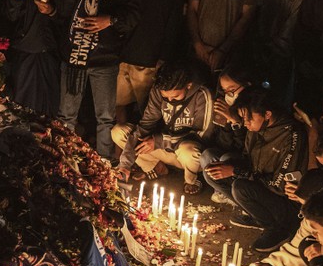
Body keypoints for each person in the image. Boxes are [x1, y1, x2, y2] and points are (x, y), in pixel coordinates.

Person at [56, 0, 140, 161]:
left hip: (105, 56)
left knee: (105, 117)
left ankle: (104, 163)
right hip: (73, 56)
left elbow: (134, 13)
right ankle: (65, 159)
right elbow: (57, 9)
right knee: (67, 114)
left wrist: (110, 20)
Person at [204, 87, 307, 252]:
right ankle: (255, 214)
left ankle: (277, 227)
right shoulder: (256, 128)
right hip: (260, 183)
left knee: (240, 188)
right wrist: (229, 168)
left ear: (267, 114)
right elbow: (248, 159)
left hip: (285, 201)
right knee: (213, 170)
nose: (245, 124)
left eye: (249, 118)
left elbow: (279, 186)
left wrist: (235, 172)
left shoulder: (291, 135)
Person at [116, 0, 185, 125]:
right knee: (118, 107)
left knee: (148, 112)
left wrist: (164, 56)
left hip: (150, 58)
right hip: (124, 54)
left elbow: (174, 21)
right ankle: (117, 154)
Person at [113, 64, 213, 194]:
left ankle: (191, 181)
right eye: (166, 97)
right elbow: (146, 124)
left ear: (188, 86)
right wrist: (125, 165)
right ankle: (155, 167)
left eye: (175, 97)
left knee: (188, 150)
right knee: (119, 132)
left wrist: (159, 141)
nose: (170, 100)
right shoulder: (158, 90)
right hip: (163, 148)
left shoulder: (202, 95)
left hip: (188, 155)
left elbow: (202, 136)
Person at [199, 65, 253, 204]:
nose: (229, 94)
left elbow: (246, 148)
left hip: (249, 163)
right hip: (231, 153)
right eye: (225, 90)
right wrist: (227, 122)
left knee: (227, 158)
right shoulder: (227, 107)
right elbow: (224, 144)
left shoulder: (255, 108)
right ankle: (225, 193)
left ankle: (242, 202)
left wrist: (236, 121)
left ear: (247, 85)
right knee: (207, 156)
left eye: (232, 89)